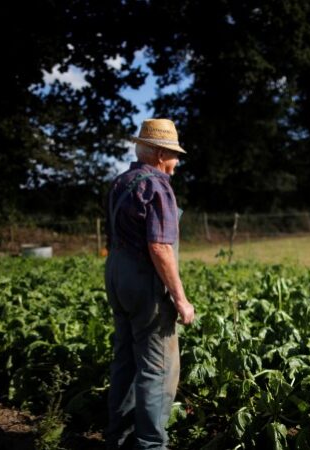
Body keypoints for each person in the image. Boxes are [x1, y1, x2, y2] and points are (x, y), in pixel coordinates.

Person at [103, 118, 195, 449]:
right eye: (173, 155)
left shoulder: (120, 182)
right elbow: (159, 246)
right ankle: (151, 446)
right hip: (144, 283)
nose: (176, 162)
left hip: (117, 275)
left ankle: (119, 439)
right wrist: (181, 298)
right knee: (158, 369)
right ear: (158, 153)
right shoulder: (157, 186)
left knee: (126, 361)